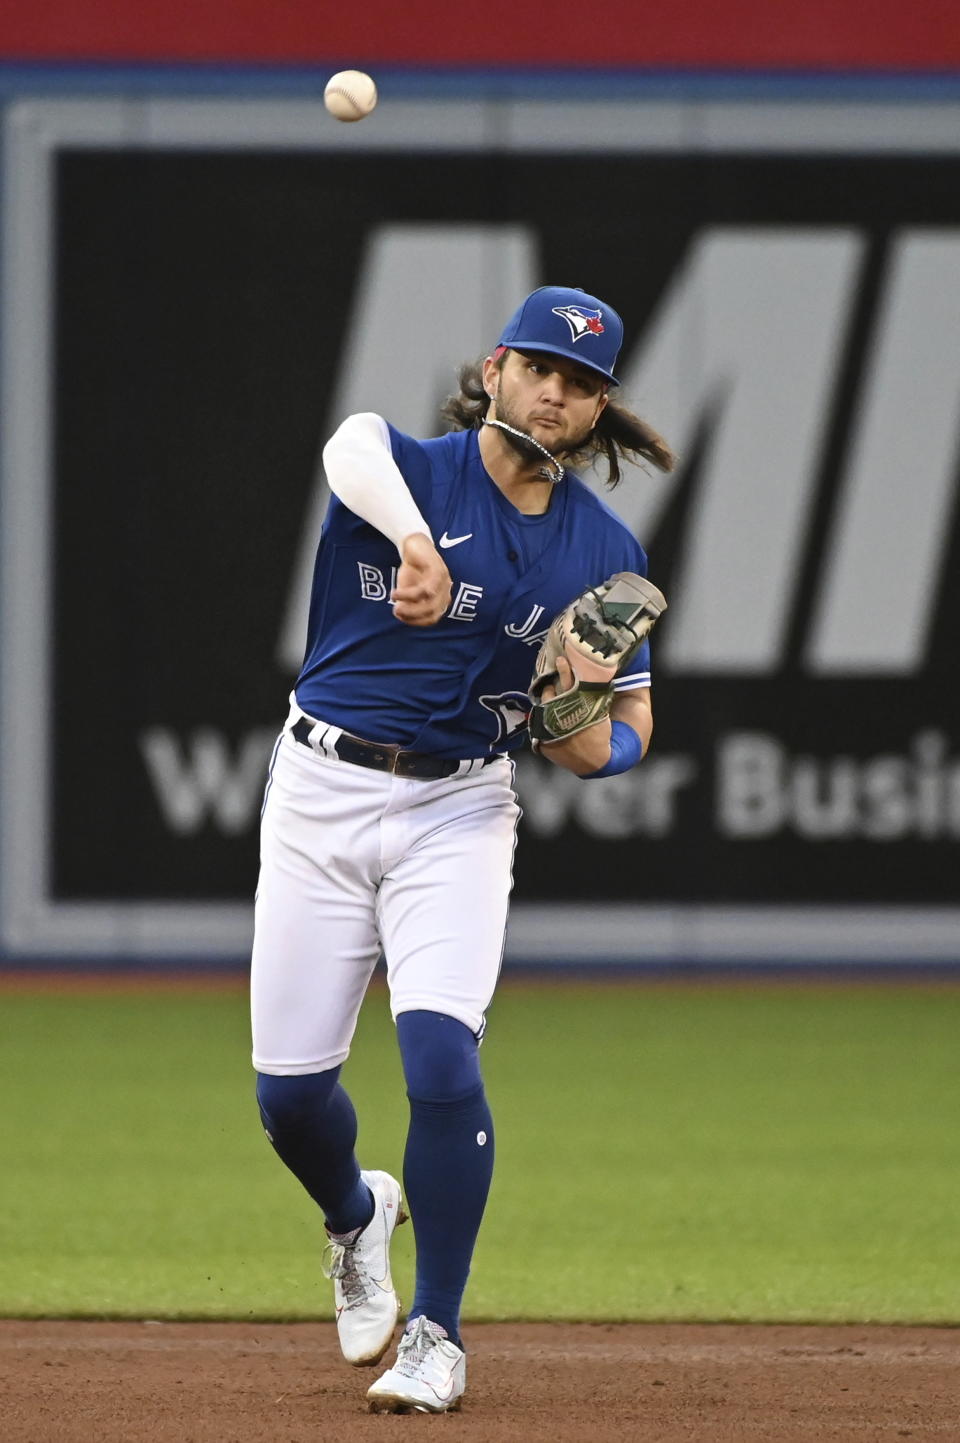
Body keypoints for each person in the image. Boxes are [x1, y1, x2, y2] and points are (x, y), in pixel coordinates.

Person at [250, 285, 675, 1414]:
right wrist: (410, 543)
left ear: (596, 411)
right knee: (288, 1102)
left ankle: (437, 1333)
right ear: (495, 369)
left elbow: (621, 735)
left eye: (581, 383)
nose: (556, 390)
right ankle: (356, 1214)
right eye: (540, 366)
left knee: (441, 1059)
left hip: (460, 812)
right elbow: (347, 442)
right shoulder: (408, 473)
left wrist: (587, 734)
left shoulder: (603, 547)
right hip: (320, 792)